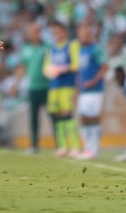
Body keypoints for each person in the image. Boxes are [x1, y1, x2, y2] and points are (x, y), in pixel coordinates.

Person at [43, 21, 80, 158]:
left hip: (67, 85)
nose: (56, 34)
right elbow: (46, 66)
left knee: (67, 114)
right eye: (54, 32)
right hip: (54, 86)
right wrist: (49, 71)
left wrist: (62, 68)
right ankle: (63, 146)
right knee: (58, 116)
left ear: (64, 32)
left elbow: (76, 65)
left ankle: (75, 146)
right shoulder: (51, 48)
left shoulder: (72, 45)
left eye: (58, 31)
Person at [76, 23, 108, 160]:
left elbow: (105, 67)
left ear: (90, 35)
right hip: (83, 91)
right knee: (83, 118)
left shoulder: (96, 49)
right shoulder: (80, 50)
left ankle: (94, 150)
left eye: (86, 34)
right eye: (82, 34)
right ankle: (87, 147)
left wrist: (93, 81)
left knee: (93, 118)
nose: (84, 36)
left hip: (95, 90)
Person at [20, 22, 50, 153]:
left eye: (36, 31)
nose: (33, 34)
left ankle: (61, 144)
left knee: (53, 116)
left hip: (47, 86)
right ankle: (34, 145)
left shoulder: (47, 47)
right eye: (31, 32)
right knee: (33, 118)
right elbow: (23, 67)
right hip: (33, 87)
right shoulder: (26, 48)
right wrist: (16, 84)